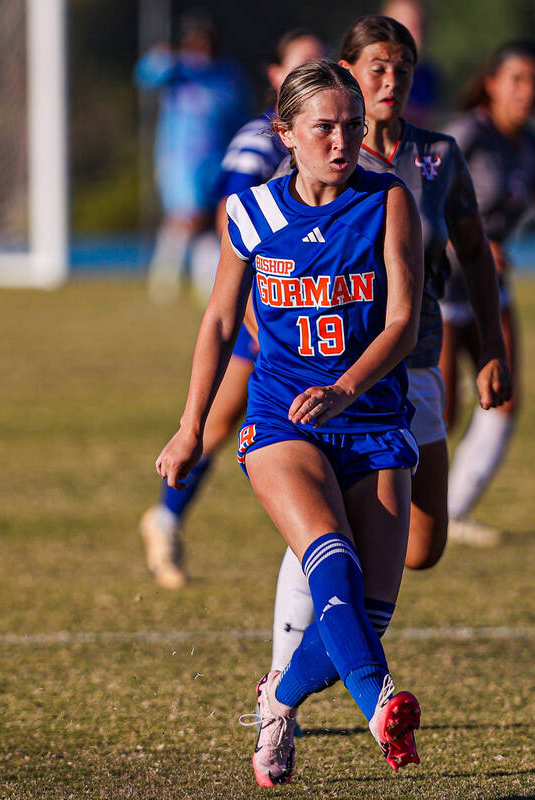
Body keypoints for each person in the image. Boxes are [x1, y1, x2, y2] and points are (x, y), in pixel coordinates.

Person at [155, 59, 424, 787]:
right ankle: (383, 709)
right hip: (282, 418)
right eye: (325, 128)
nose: (343, 142)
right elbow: (216, 321)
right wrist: (189, 427)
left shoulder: (389, 201)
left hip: (371, 417)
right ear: (287, 133)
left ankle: (276, 698)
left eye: (353, 127)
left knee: (367, 612)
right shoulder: (252, 212)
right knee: (328, 553)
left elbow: (402, 322)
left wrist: (346, 387)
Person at [259, 13, 511, 683]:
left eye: (402, 68)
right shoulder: (322, 154)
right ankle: (283, 675)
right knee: (324, 526)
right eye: (377, 67)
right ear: (348, 73)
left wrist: (492, 348)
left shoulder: (436, 158)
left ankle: (331, 628)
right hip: (327, 375)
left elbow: (475, 259)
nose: (391, 80)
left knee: (422, 548)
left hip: (413, 363)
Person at [140, 29, 326, 590]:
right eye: (299, 65)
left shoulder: (338, 134)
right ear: (275, 78)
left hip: (323, 312)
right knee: (216, 426)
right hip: (271, 312)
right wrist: (251, 310)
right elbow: (233, 216)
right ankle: (165, 519)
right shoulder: (261, 139)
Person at [439, 40, 535, 545]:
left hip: (488, 289)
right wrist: (470, 242)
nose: (528, 91)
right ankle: (412, 515)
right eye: (517, 79)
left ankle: (452, 511)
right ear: (491, 82)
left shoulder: (530, 146)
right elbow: (419, 200)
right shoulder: (466, 137)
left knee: (503, 396)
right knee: (441, 413)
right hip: (438, 288)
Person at [135, 8, 250, 304]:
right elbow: (146, 74)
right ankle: (164, 282)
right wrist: (165, 55)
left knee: (213, 220)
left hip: (218, 158)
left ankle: (206, 284)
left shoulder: (227, 75)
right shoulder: (178, 71)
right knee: (186, 218)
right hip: (181, 159)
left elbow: (239, 114)